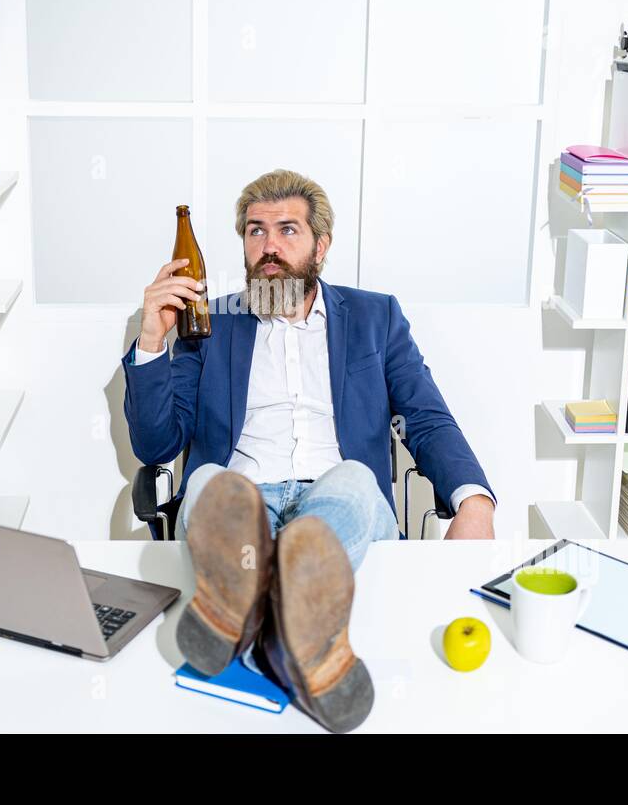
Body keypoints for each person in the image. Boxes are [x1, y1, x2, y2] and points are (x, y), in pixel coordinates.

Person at [121, 169, 495, 732]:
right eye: (255, 231)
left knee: (349, 479)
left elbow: (425, 415)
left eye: (287, 230)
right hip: (241, 512)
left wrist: (473, 500)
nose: (268, 246)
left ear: (321, 245)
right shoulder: (210, 324)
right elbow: (157, 443)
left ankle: (264, 606)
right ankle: (300, 627)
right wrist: (153, 339)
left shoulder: (375, 317)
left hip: (343, 506)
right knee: (208, 485)